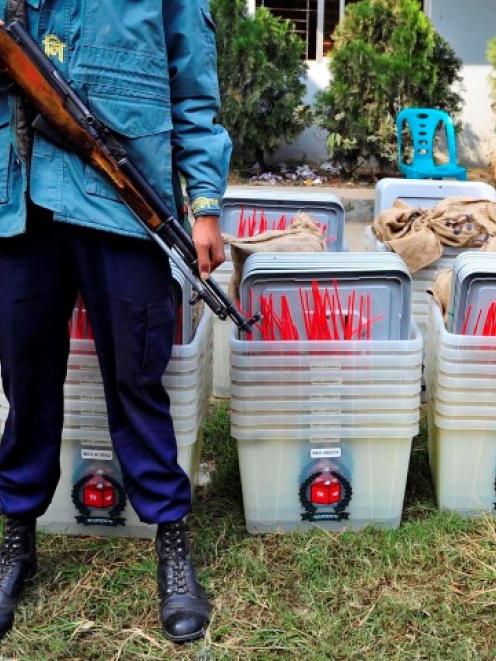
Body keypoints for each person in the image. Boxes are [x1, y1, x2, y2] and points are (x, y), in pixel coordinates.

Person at [0, 0, 231, 645]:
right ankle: (17, 537)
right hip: (18, 195)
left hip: (124, 201)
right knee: (24, 379)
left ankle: (171, 541)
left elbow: (192, 80)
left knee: (138, 377)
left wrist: (205, 205)